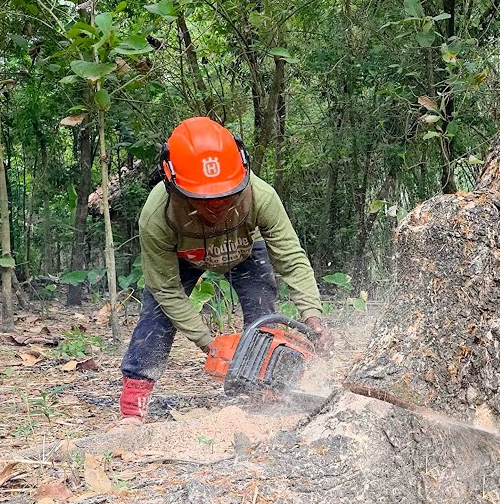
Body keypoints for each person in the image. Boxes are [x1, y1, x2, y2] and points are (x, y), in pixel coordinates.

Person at [116, 117, 335, 427]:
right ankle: (133, 401)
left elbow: (291, 258)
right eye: (205, 198)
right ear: (173, 183)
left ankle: (263, 390)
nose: (216, 206)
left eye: (225, 195)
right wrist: (210, 344)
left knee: (262, 312)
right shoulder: (157, 216)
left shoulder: (262, 196)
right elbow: (165, 288)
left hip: (244, 249)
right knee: (155, 317)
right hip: (183, 255)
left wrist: (312, 316)